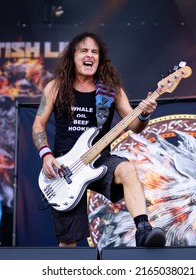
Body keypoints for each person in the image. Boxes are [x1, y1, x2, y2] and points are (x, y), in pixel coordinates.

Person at [32, 32, 166, 248]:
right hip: (64, 168)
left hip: (100, 159)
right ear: (73, 57)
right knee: (68, 242)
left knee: (127, 169)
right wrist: (46, 155)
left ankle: (143, 230)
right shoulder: (55, 87)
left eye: (95, 52)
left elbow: (135, 127)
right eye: (84, 51)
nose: (90, 55)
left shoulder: (111, 90)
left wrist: (144, 114)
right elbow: (38, 125)